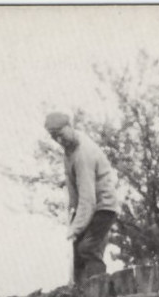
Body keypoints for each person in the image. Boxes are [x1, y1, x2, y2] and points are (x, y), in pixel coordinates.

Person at [44, 111, 119, 285]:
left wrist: (75, 228)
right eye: (55, 138)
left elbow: (88, 199)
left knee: (88, 248)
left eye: (61, 135)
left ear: (70, 127)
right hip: (89, 207)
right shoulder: (68, 151)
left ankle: (98, 292)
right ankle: (78, 294)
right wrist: (72, 211)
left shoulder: (83, 154)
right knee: (77, 255)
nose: (60, 141)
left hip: (103, 207)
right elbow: (72, 186)